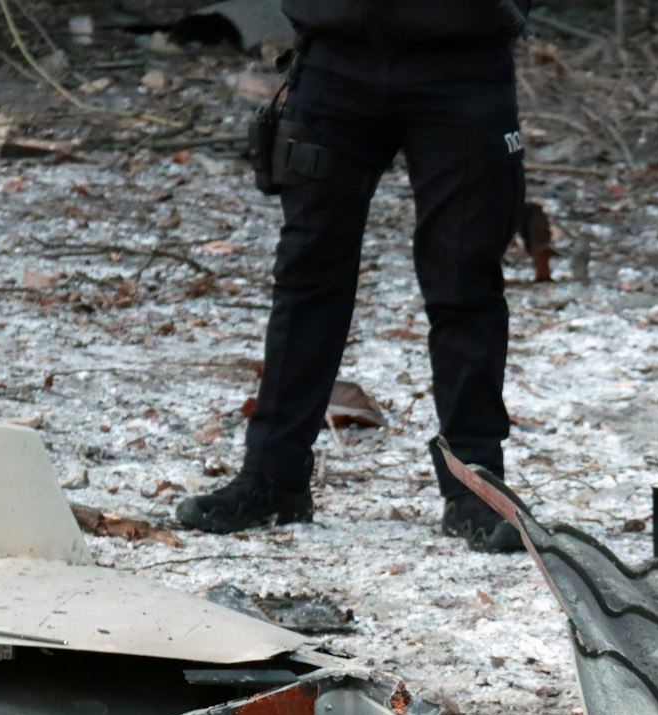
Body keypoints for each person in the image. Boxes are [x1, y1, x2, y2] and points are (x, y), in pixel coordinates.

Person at [174, 0, 532, 553]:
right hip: (335, 55)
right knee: (307, 275)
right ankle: (273, 479)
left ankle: (476, 489)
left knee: (464, 281)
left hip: (465, 59)